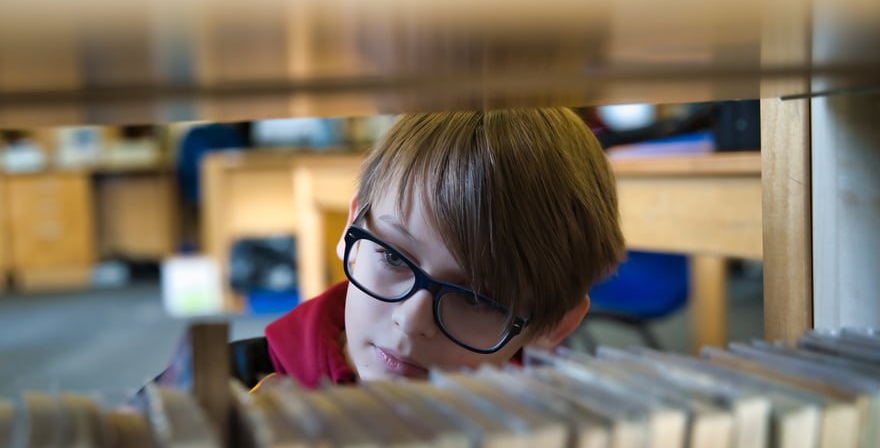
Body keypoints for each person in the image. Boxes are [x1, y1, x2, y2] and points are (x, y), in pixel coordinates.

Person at [159, 108, 625, 390]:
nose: (411, 321)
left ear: (555, 324)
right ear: (352, 228)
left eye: (476, 298)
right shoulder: (214, 389)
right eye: (394, 257)